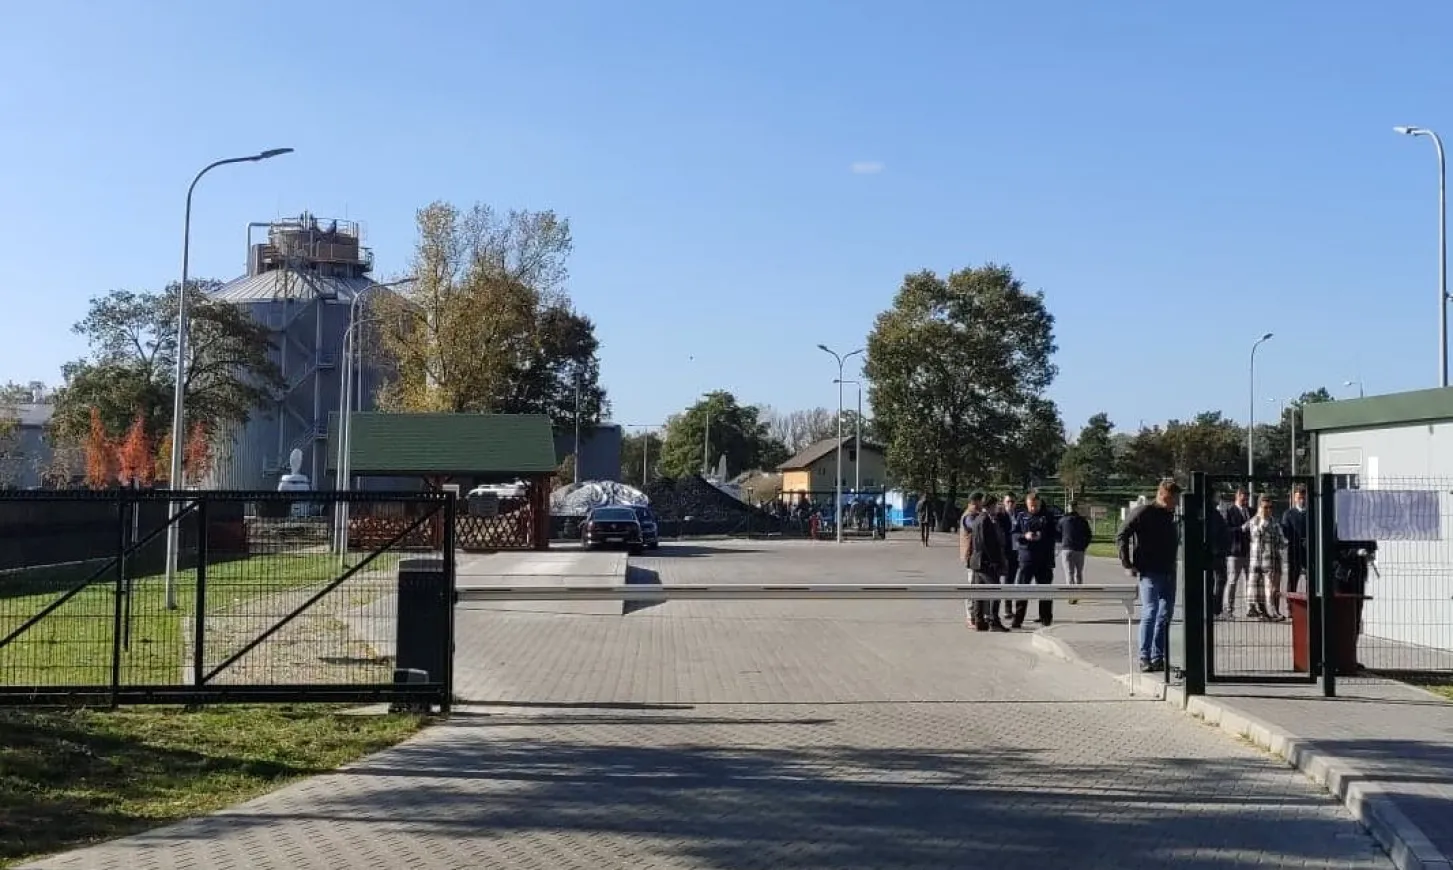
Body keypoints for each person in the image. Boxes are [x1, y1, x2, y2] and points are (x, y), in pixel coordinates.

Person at [1116, 479, 1182, 673]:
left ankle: (1158, 656)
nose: (1175, 503)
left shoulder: (1173, 516)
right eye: (1172, 499)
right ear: (1162, 495)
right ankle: (1144, 656)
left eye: (1176, 500)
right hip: (1149, 571)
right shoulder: (1144, 512)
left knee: (1165, 614)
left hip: (1169, 570)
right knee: (1150, 612)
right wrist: (1127, 562)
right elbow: (1122, 534)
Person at [959, 491, 1009, 632]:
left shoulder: (979, 519)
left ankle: (980, 621)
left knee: (979, 593)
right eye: (995, 506)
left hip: (977, 561)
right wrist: (995, 561)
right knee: (995, 590)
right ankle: (994, 621)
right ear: (991, 505)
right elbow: (986, 543)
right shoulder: (985, 520)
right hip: (985, 562)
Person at [1011, 490, 1059, 628]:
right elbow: (1014, 534)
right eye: (1031, 505)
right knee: (1022, 589)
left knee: (1045, 590)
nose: (1033, 508)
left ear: (1040, 504)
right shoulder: (1021, 516)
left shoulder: (1048, 516)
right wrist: (1025, 536)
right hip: (1026, 558)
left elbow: (1056, 535)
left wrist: (1041, 535)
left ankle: (1046, 619)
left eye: (1036, 505)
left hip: (1044, 559)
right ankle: (1018, 619)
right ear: (1027, 504)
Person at [1245, 494, 1286, 620]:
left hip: (1271, 560)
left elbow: (1282, 541)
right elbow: (1256, 534)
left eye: (1270, 507)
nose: (1268, 510)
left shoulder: (1274, 522)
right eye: (1265, 507)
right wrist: (1263, 520)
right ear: (1259, 507)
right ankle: (1260, 611)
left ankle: (1273, 611)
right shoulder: (1254, 521)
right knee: (1257, 588)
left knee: (1270, 588)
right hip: (1256, 560)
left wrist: (1282, 541)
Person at [1223, 488, 1252, 618]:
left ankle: (1250, 608)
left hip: (1249, 551)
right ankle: (1229, 609)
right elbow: (1226, 530)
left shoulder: (1250, 511)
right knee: (1232, 581)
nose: (1245, 501)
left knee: (1250, 581)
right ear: (1237, 496)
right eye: (1243, 498)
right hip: (1234, 552)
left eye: (1247, 498)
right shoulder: (1230, 511)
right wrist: (1241, 528)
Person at [995, 493, 1022, 624]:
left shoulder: (1019, 515)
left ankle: (1012, 609)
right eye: (1008, 502)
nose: (1010, 504)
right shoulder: (1000, 516)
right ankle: (1006, 609)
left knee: (1012, 580)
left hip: (1017, 552)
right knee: (1006, 581)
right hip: (1005, 552)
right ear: (1004, 503)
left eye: (1012, 501)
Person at [1057, 501, 1092, 604]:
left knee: (1069, 573)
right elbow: (1089, 535)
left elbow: (1057, 534)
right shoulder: (1082, 521)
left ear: (1067, 508)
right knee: (1078, 573)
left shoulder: (1062, 520)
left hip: (1067, 549)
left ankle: (1071, 595)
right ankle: (1078, 593)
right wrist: (1084, 545)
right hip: (1079, 550)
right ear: (1076, 508)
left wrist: (1063, 541)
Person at [1281, 485, 1309, 595]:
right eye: (1299, 498)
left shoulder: (1312, 513)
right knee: (1292, 577)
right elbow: (1285, 532)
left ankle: (1310, 602)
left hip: (1309, 550)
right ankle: (1291, 602)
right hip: (1294, 550)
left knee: (1311, 578)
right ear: (1294, 498)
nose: (1302, 500)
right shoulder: (1288, 514)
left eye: (1303, 498)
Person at [1207, 495, 1232, 618]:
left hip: (1214, 552)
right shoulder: (1215, 515)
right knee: (1220, 580)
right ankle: (1215, 608)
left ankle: (1213, 607)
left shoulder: (1211, 514)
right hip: (1217, 552)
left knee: (1213, 580)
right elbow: (1221, 532)